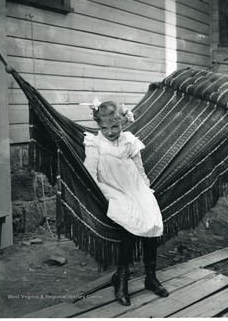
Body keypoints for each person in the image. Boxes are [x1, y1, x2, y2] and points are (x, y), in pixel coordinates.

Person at [83, 100, 169, 306]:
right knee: (131, 224)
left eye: (115, 127)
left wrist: (146, 190)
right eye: (105, 128)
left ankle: (150, 277)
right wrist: (106, 195)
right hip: (112, 190)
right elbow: (90, 174)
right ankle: (121, 279)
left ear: (123, 123)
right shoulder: (95, 144)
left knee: (152, 220)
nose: (111, 132)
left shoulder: (129, 141)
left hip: (135, 187)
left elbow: (139, 169)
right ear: (98, 126)